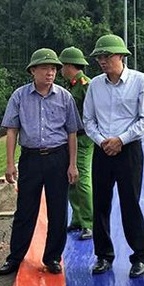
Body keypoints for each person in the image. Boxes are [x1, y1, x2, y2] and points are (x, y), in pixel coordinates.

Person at [0, 49, 80, 276]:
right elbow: (12, 130)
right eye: (44, 68)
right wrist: (10, 163)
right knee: (25, 208)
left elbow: (72, 132)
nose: (50, 73)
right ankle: (15, 257)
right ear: (33, 71)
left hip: (58, 156)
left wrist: (72, 164)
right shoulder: (20, 96)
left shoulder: (64, 97)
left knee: (58, 209)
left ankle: (52, 257)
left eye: (53, 68)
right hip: (31, 158)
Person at [83, 34, 144, 278]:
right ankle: (103, 256)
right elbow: (88, 120)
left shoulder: (140, 81)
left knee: (130, 203)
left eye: (107, 56)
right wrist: (103, 141)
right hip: (102, 149)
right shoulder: (94, 85)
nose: (102, 61)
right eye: (99, 57)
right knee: (100, 204)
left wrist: (120, 140)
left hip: (129, 150)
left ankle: (139, 256)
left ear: (121, 56)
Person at [59, 46, 94, 241]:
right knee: (71, 180)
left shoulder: (85, 85)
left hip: (83, 138)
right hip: (70, 138)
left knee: (82, 180)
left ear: (69, 65)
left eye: (62, 66)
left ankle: (89, 223)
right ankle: (78, 218)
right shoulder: (72, 85)